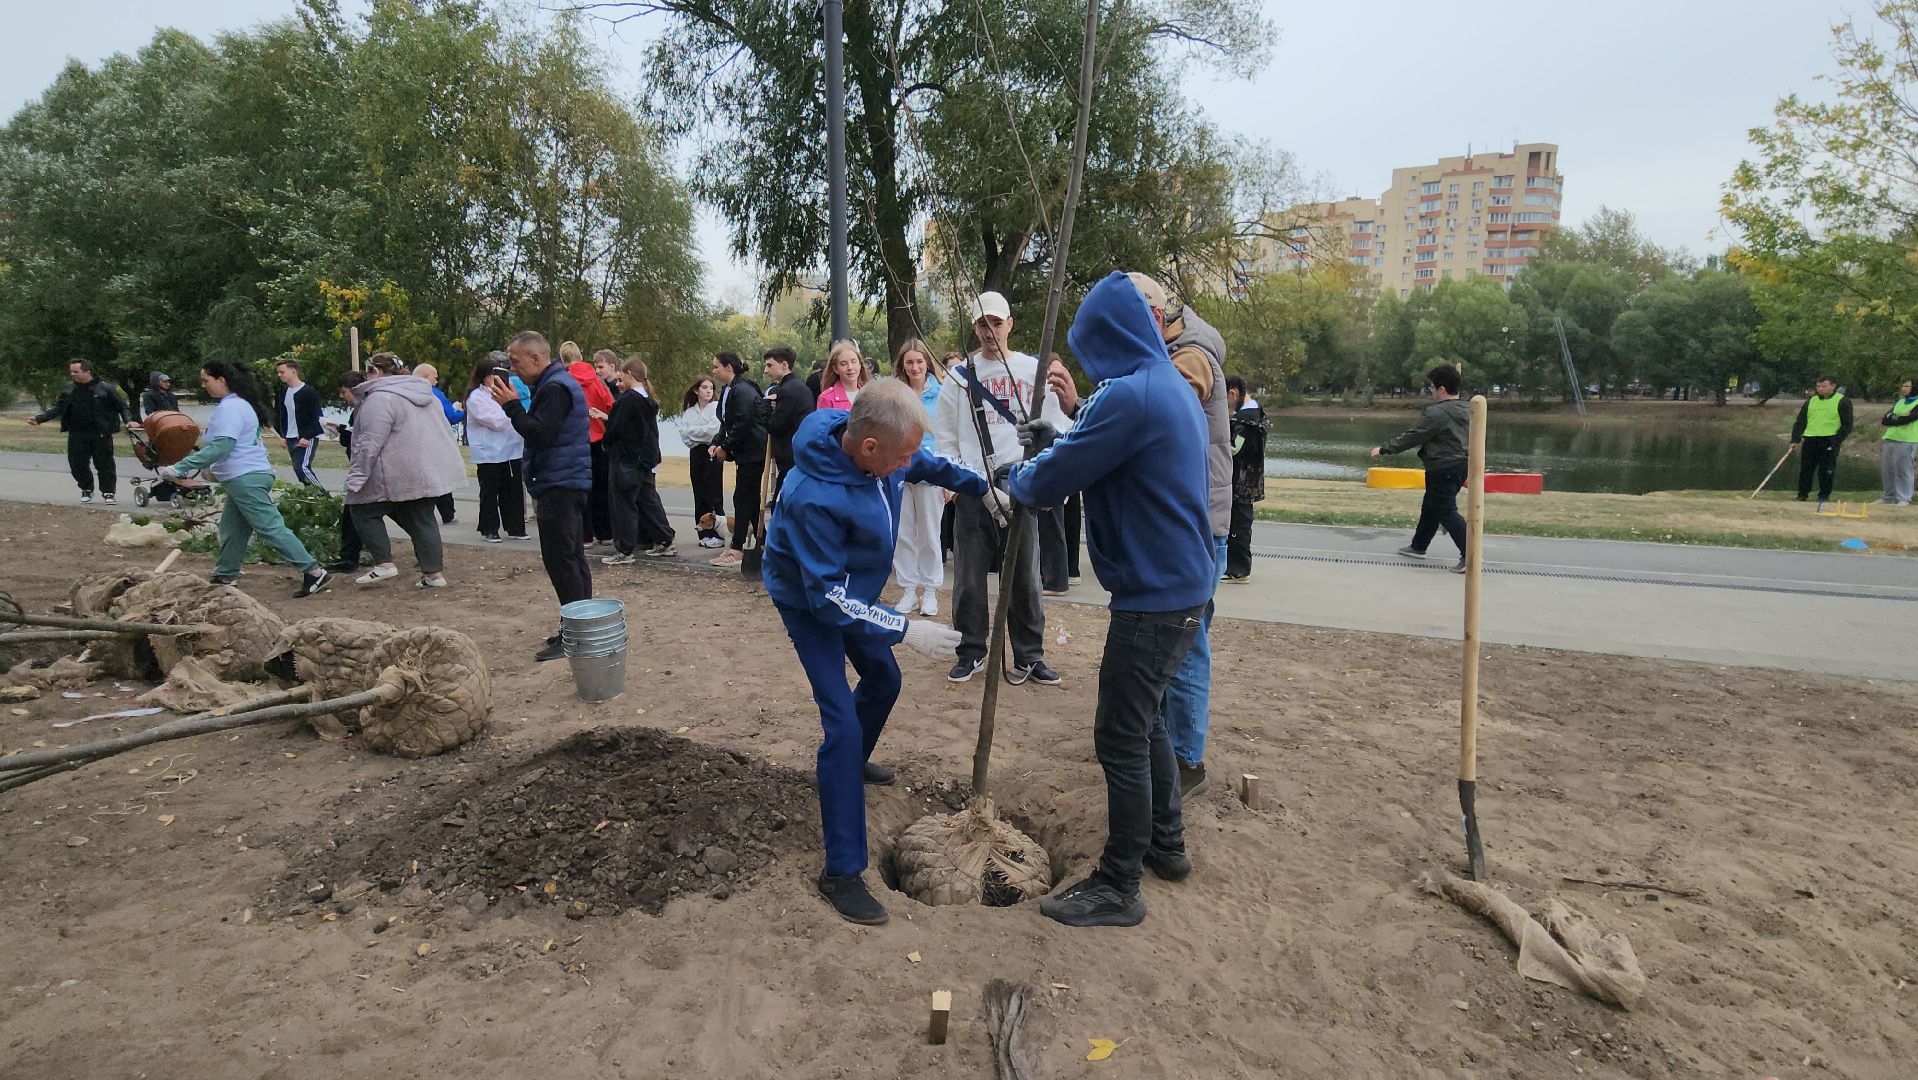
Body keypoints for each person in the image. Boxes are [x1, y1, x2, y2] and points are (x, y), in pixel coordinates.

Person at [1001, 271, 1214, 928]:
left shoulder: (1134, 395)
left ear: (1110, 337)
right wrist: (1059, 441)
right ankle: (1167, 846)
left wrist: (1021, 470)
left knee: (1118, 735)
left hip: (1153, 598)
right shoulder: (1160, 384)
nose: (1092, 360)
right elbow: (1099, 455)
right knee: (1146, 720)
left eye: (1092, 344)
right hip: (1179, 588)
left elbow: (1048, 485)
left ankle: (1120, 884)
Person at [763, 380, 984, 925]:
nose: (910, 463)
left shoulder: (887, 454)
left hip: (852, 593)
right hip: (811, 601)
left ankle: (851, 765)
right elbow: (828, 601)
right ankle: (840, 871)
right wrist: (906, 629)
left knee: (884, 681)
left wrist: (986, 487)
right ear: (869, 449)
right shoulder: (812, 496)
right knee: (839, 723)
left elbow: (928, 464)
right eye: (902, 455)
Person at [932, 290, 1072, 685]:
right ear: (974, 328)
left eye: (996, 322)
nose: (989, 331)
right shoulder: (960, 379)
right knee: (970, 577)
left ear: (1009, 324)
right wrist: (958, 482)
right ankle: (971, 650)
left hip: (1020, 483)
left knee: (1026, 576)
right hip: (975, 486)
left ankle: (1029, 655)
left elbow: (1054, 427)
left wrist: (1044, 478)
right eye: (982, 324)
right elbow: (945, 436)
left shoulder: (1032, 370)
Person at [1133, 274, 1232, 797]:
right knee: (1176, 642)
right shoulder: (1173, 353)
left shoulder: (1189, 358)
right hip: (1187, 522)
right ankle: (1168, 747)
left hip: (1198, 525)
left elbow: (1150, 420)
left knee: (1188, 643)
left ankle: (1186, 762)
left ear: (1153, 315)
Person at [157, 360, 330, 598]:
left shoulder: (232, 408)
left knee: (270, 528)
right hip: (245, 477)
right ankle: (225, 575)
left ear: (222, 380)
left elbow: (223, 445)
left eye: (206, 380)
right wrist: (213, 469)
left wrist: (180, 468)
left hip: (246, 478)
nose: (203, 385)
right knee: (232, 529)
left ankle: (314, 571)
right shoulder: (237, 405)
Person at [488, 331, 594, 662]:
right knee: (572, 558)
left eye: (516, 362)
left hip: (559, 484)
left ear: (537, 358)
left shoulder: (554, 389)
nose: (513, 370)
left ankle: (577, 635)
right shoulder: (554, 385)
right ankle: (579, 628)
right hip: (566, 481)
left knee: (562, 561)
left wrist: (511, 407)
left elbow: (540, 433)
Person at [343, 354, 465, 589]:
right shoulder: (428, 395)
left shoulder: (380, 399)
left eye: (368, 371)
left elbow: (369, 442)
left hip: (392, 471)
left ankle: (384, 564)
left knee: (361, 509)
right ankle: (433, 574)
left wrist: (357, 476)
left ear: (377, 371)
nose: (366, 376)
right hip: (424, 469)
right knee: (422, 519)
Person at [1373, 364, 1471, 573]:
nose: (1430, 392)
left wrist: (1385, 449)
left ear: (1442, 389)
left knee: (1445, 510)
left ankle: (1470, 555)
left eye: (1432, 388)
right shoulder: (1469, 409)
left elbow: (1414, 435)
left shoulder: (1438, 413)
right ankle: (1419, 546)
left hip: (1443, 467)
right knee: (1431, 506)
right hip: (1461, 465)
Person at [890, 338, 946, 616]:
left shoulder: (942, 393)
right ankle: (909, 589)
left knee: (930, 533)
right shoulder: (895, 394)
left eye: (919, 361)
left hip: (931, 471)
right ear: (902, 364)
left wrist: (949, 477)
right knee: (904, 533)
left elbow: (946, 435)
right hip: (900, 471)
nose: (915, 367)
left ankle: (931, 589)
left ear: (927, 363)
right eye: (909, 362)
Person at [603, 356, 676, 562]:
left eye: (621, 376)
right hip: (645, 459)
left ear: (628, 374)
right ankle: (664, 539)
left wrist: (607, 443)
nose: (619, 382)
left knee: (623, 504)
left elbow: (615, 429)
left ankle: (625, 550)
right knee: (647, 500)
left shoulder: (627, 400)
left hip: (626, 459)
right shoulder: (648, 400)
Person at [30, 358, 127, 504]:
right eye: (71, 372)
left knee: (104, 464)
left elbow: (122, 407)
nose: (72, 375)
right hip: (77, 434)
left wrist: (130, 421)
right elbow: (58, 408)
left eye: (76, 371)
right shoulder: (69, 389)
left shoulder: (106, 388)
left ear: (87, 372)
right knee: (77, 464)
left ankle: (108, 492)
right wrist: (40, 419)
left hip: (101, 434)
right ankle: (86, 488)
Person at [708, 352, 765, 568]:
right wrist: (717, 442)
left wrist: (726, 447)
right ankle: (764, 541)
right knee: (748, 499)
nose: (714, 371)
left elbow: (743, 422)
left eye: (716, 367)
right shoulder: (728, 390)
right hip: (743, 452)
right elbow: (726, 422)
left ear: (728, 367)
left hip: (753, 452)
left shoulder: (743, 390)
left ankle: (736, 548)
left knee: (742, 497)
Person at [466, 355, 527, 542]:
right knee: (490, 492)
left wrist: (513, 411)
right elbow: (496, 421)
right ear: (485, 377)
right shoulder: (476, 397)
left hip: (511, 449)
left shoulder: (507, 393)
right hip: (490, 453)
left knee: (513, 490)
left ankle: (515, 527)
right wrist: (512, 414)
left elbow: (520, 412)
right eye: (494, 376)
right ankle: (489, 528)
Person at [562, 342, 617, 547]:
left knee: (580, 487)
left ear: (562, 359)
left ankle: (585, 534)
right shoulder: (596, 380)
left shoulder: (565, 381)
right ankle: (605, 532)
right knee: (601, 487)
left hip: (576, 438)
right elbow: (612, 405)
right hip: (598, 438)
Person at [1223, 374, 1269, 582]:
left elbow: (1234, 449)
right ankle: (1235, 566)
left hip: (1242, 482)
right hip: (1246, 480)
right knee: (1238, 522)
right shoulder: (1254, 413)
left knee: (1238, 525)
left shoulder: (1246, 419)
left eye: (1225, 399)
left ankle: (1239, 569)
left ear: (1233, 393)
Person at [761, 346, 817, 504]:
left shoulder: (789, 390)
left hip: (791, 458)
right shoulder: (796, 387)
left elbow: (775, 426)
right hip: (796, 456)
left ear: (784, 365)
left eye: (770, 365)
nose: (766, 370)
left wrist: (765, 408)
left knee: (781, 508)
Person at [326, 371, 368, 573]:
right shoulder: (359, 410)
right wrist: (343, 430)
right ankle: (350, 556)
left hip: (366, 471)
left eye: (344, 392)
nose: (342, 397)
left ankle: (349, 557)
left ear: (354, 390)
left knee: (352, 513)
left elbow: (360, 439)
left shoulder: (366, 409)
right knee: (353, 514)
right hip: (363, 469)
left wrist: (344, 433)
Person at [679, 376, 727, 547]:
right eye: (704, 387)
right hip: (696, 453)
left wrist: (697, 432)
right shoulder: (689, 412)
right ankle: (704, 533)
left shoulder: (716, 408)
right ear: (696, 390)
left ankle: (719, 534)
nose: (708, 391)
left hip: (712, 452)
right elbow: (685, 435)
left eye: (711, 388)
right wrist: (699, 432)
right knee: (699, 493)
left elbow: (714, 430)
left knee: (714, 493)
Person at [412, 362, 462, 524]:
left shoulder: (405, 393)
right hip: (434, 441)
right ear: (426, 376)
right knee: (440, 478)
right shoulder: (435, 394)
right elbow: (451, 417)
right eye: (435, 377)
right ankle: (448, 513)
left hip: (414, 441)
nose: (436, 380)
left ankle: (419, 514)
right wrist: (461, 412)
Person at [1793, 375, 1853, 505]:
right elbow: (1801, 421)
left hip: (1829, 440)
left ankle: (1824, 495)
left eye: (1824, 386)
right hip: (1810, 439)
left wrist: (1836, 440)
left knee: (1826, 470)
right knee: (1806, 469)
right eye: (1818, 386)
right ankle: (1802, 494)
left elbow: (1847, 425)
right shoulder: (1811, 401)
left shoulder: (1842, 401)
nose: (1820, 389)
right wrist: (1795, 438)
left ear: (1832, 386)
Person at [273, 360, 325, 488]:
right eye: (278, 372)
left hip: (306, 437)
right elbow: (281, 416)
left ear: (293, 371)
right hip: (290, 436)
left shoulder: (309, 392)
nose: (279, 375)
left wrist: (307, 437)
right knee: (297, 469)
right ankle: (310, 496)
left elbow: (316, 417)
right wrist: (282, 436)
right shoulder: (283, 392)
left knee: (302, 467)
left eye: (282, 372)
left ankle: (322, 496)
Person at [1878, 379, 1918, 506]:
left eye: (1907, 386)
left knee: (1903, 470)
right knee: (1887, 470)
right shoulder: (1900, 402)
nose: (1903, 388)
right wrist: (1898, 417)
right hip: (1890, 438)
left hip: (1907, 440)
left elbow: (1910, 419)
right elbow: (1885, 419)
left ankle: (1904, 498)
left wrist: (1895, 417)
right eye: (1903, 386)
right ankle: (1888, 497)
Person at [815, 340, 868, 410]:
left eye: (853, 362)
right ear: (835, 369)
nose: (850, 367)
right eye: (843, 364)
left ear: (860, 364)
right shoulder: (826, 398)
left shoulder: (870, 394)